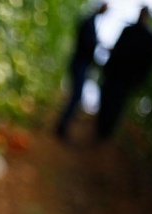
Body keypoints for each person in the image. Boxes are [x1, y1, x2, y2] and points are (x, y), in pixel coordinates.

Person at [96, 6, 152, 141]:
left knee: (116, 105)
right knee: (107, 100)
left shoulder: (150, 39)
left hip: (126, 80)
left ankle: (105, 132)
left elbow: (147, 64)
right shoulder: (129, 31)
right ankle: (101, 129)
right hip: (114, 74)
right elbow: (117, 50)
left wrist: (138, 81)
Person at [56, 3, 108, 140]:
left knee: (75, 96)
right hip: (80, 63)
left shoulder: (91, 22)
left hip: (81, 63)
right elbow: (87, 44)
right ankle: (62, 126)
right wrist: (97, 44)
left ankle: (63, 125)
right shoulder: (89, 22)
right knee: (76, 96)